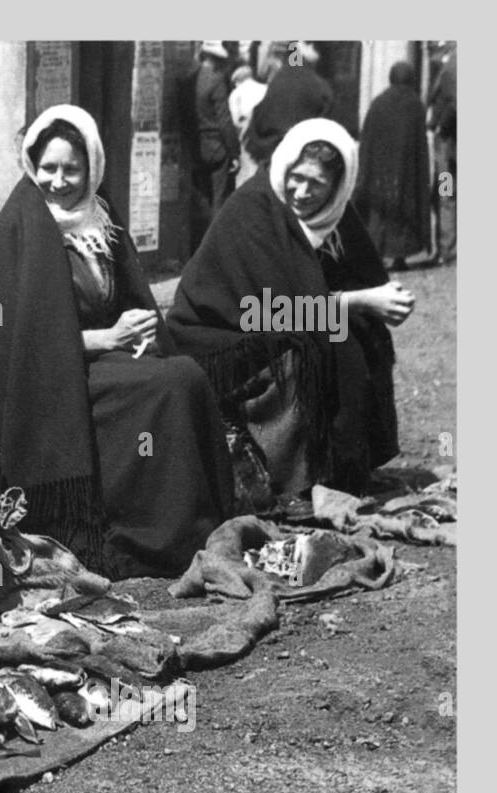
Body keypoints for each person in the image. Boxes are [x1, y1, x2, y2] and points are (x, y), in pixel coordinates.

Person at [0, 105, 234, 579]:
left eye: (71, 169)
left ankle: (196, 523)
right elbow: (13, 341)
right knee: (167, 388)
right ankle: (142, 534)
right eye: (48, 168)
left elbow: (128, 296)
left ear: (92, 168)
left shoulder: (100, 217)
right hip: (46, 379)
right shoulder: (18, 228)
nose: (58, 181)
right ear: (31, 166)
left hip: (99, 358)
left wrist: (140, 333)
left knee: (185, 374)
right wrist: (107, 338)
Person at [167, 118, 414, 498]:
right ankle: (302, 478)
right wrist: (361, 301)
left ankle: (350, 466)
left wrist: (384, 298)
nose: (300, 191)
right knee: (322, 351)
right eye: (297, 177)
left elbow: (360, 277)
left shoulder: (334, 215)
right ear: (285, 167)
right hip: (217, 337)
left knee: (366, 336)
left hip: (275, 319)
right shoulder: (253, 209)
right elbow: (269, 311)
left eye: (316, 184)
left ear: (338, 186)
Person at [355, 62, 430, 271]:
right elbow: (420, 143)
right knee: (404, 214)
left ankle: (376, 254)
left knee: (379, 214)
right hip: (406, 171)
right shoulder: (414, 104)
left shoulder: (379, 103)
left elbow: (367, 138)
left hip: (380, 169)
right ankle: (400, 257)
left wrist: (365, 167)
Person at [188, 42, 241, 251]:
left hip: (195, 146)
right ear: (217, 59)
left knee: (201, 200)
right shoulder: (216, 80)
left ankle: (196, 248)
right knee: (219, 200)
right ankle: (215, 250)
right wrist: (234, 152)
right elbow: (224, 120)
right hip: (217, 147)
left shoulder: (190, 80)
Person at [244, 44, 334, 165]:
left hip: (267, 157)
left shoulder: (279, 79)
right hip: (298, 159)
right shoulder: (320, 88)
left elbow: (258, 116)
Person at [427, 45, 456, 265]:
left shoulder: (452, 67)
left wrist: (438, 127)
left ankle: (447, 248)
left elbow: (454, 104)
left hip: (447, 144)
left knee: (445, 194)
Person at [229, 65, 267, 184]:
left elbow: (235, 121)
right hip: (266, 135)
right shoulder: (266, 88)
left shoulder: (236, 94)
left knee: (247, 173)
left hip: (246, 136)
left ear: (237, 81)